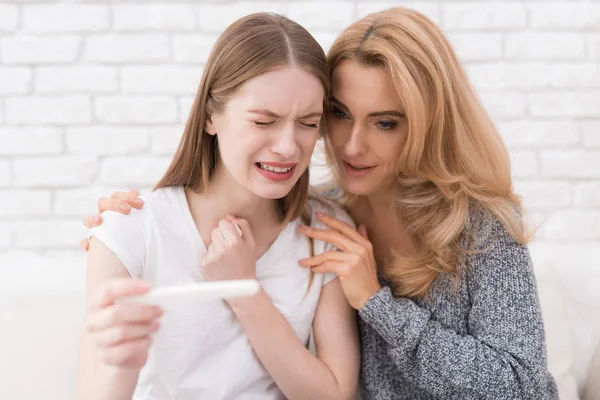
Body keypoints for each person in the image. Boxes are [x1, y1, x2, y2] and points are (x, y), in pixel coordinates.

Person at [82, 7, 558, 400]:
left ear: (427, 124)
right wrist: (126, 229)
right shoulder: (322, 215)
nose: (351, 146)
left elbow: (519, 386)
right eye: (339, 115)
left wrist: (376, 303)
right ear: (210, 113)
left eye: (386, 123)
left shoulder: (473, 228)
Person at [75, 12, 360, 400]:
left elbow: (332, 396)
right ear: (211, 116)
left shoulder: (324, 231)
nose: (288, 147)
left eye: (308, 123)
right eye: (264, 121)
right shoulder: (129, 229)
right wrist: (121, 364)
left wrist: (245, 291)